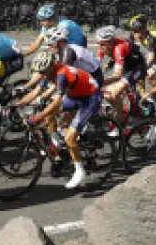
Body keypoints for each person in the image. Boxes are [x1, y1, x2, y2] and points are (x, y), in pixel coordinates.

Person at [16, 53, 96, 189]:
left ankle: (79, 171)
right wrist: (15, 105)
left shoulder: (61, 75)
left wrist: (36, 118)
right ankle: (58, 140)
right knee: (50, 116)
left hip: (90, 98)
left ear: (52, 67)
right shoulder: (48, 72)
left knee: (70, 138)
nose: (42, 74)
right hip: (75, 95)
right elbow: (35, 92)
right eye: (40, 72)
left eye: (43, 71)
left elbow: (56, 102)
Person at [96, 25, 148, 125]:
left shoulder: (119, 48)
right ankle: (124, 110)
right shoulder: (102, 47)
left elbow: (117, 75)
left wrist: (100, 82)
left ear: (110, 43)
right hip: (126, 64)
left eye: (102, 44)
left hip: (137, 67)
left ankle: (120, 122)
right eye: (99, 44)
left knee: (113, 92)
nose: (100, 47)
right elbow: (95, 65)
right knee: (108, 94)